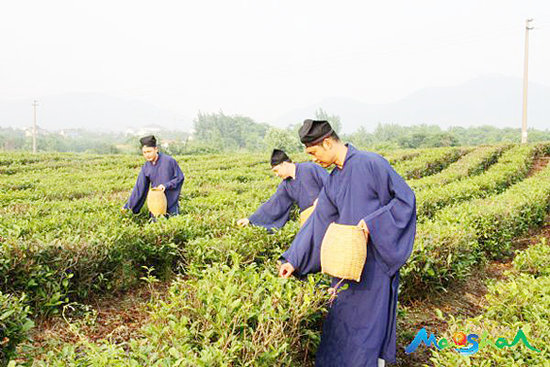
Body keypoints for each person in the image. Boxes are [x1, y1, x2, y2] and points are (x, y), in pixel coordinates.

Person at [278, 120, 416, 367]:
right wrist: (294, 259)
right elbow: (320, 221)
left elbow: (405, 200)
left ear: (328, 142)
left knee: (368, 332)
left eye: (314, 152)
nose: (314, 158)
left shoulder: (372, 164)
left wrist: (373, 223)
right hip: (345, 267)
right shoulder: (333, 180)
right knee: (339, 327)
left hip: (374, 266)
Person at [237, 149, 328, 230]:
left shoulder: (310, 168)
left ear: (284, 164)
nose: (277, 175)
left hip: (328, 213)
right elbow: (273, 204)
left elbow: (331, 184)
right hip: (309, 220)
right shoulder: (286, 185)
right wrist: (251, 220)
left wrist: (322, 198)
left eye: (276, 170)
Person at [123, 135, 184, 216]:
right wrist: (128, 207)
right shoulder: (146, 167)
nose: (147, 155)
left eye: (149, 151)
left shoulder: (169, 161)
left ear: (156, 149)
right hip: (155, 203)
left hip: (171, 203)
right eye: (144, 152)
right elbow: (139, 188)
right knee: (156, 225)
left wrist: (166, 186)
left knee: (172, 225)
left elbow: (179, 178)